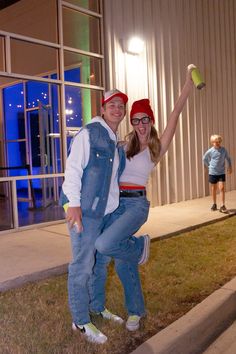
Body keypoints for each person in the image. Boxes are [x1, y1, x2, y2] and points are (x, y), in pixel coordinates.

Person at [89, 65, 195, 332]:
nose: (140, 124)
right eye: (135, 120)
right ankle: (134, 311)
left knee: (104, 244)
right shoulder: (125, 144)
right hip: (116, 204)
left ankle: (139, 247)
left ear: (151, 121)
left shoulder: (156, 147)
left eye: (144, 119)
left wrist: (186, 84)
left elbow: (175, 114)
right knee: (121, 263)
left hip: (136, 205)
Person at [60, 89, 130, 344]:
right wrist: (73, 205)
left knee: (101, 263)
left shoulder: (113, 139)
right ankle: (79, 320)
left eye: (121, 105)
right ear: (102, 109)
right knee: (82, 265)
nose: (117, 109)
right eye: (112, 105)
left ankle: (97, 307)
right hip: (86, 212)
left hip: (107, 212)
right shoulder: (89, 133)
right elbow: (73, 170)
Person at [203, 134, 232, 212]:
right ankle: (214, 204)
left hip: (221, 172)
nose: (218, 143)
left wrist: (230, 167)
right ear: (212, 142)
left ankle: (223, 205)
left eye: (219, 142)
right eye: (216, 142)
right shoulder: (210, 151)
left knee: (222, 188)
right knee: (214, 189)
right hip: (213, 172)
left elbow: (228, 158)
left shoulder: (223, 150)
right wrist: (209, 166)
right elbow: (204, 158)